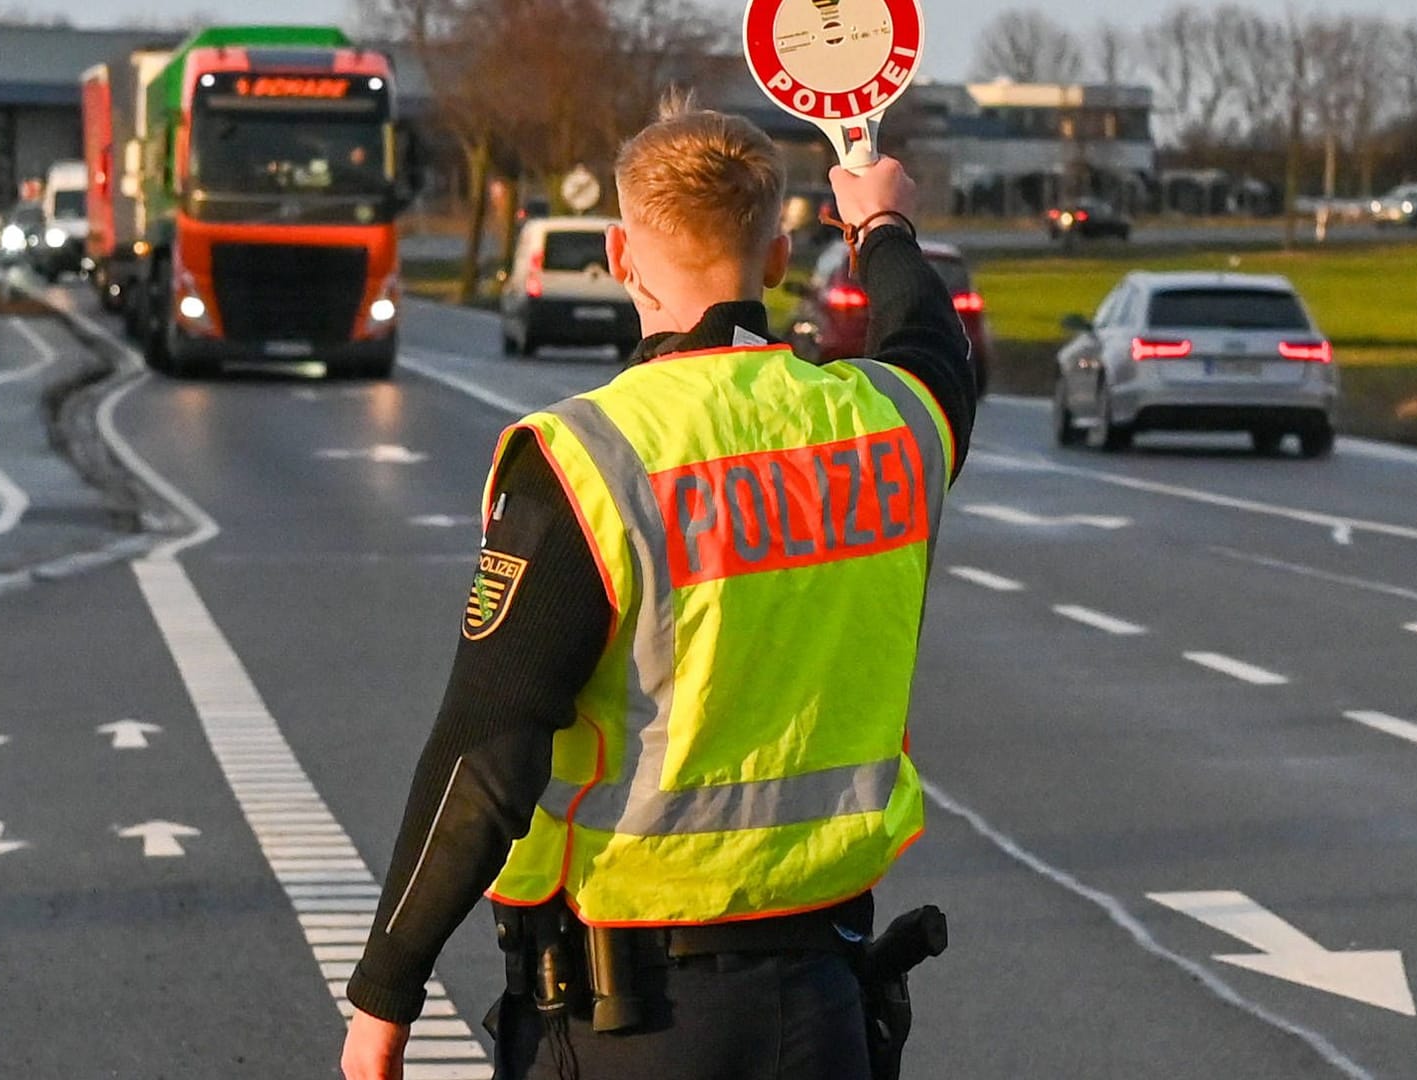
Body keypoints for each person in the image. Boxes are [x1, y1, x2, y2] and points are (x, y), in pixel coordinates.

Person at [341, 96, 976, 1080]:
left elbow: (487, 755)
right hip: (824, 1009)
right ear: (775, 259)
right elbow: (936, 349)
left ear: (620, 254)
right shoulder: (889, 427)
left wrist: (388, 987)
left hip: (629, 1017)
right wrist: (883, 227)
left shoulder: (586, 459)